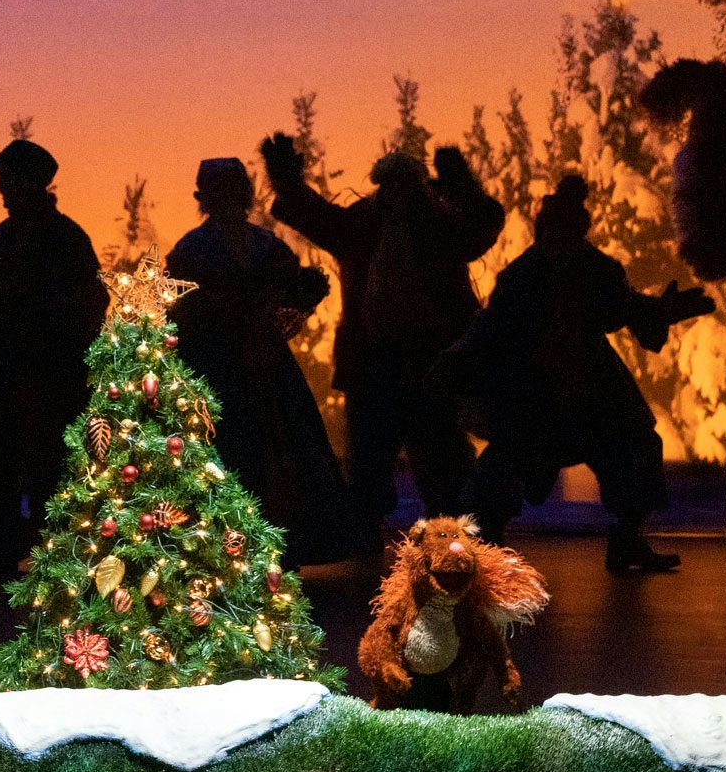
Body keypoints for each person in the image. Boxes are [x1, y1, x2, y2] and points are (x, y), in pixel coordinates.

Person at [429, 175, 715, 572]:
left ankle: (628, 539)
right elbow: (491, 326)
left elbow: (626, 308)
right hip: (531, 392)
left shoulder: (599, 271)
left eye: (570, 230)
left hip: (594, 391)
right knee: (502, 463)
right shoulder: (520, 279)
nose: (563, 241)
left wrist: (658, 312)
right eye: (556, 229)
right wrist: (458, 360)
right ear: (544, 230)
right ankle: (481, 541)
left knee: (635, 446)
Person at [260, 135, 505, 546]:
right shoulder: (410, 223)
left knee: (433, 456)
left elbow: (481, 226)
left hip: (426, 361)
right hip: (385, 361)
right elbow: (319, 218)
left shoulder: (434, 224)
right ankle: (380, 533)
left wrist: (288, 183)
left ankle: (445, 534)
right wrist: (287, 183)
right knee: (376, 458)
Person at [165, 157, 361, 566]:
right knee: (232, 451)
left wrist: (297, 292)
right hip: (217, 368)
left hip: (264, 368)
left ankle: (281, 543)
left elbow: (290, 289)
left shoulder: (262, 246)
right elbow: (180, 311)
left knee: (279, 447)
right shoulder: (192, 251)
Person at [0, 139, 107, 578]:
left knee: (46, 463)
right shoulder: (4, 237)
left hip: (42, 376)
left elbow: (86, 302)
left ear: (30, 181)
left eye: (6, 179)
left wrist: (32, 318)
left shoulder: (64, 238)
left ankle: (54, 550)